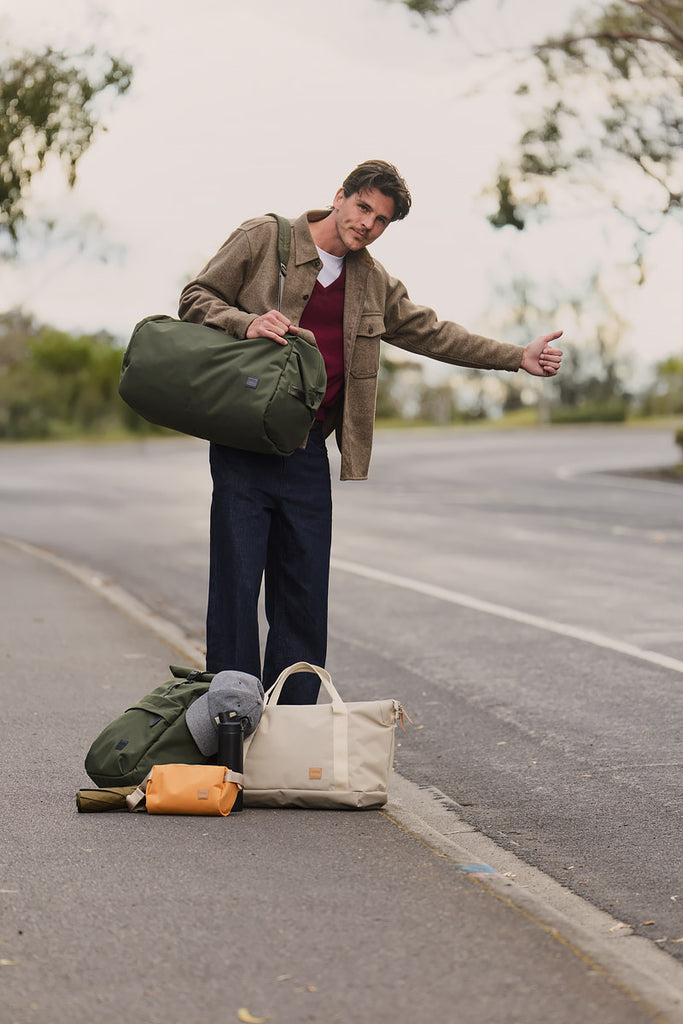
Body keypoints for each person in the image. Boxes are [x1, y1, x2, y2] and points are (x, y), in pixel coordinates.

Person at [178, 159, 563, 702]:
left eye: (381, 220)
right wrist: (247, 323)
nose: (367, 225)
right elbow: (195, 299)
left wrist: (514, 357)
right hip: (245, 443)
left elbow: (435, 335)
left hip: (307, 450)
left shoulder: (373, 282)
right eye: (364, 208)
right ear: (340, 196)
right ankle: (232, 733)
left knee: (305, 601)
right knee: (236, 592)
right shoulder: (264, 238)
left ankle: (292, 736)